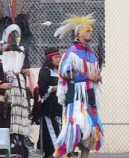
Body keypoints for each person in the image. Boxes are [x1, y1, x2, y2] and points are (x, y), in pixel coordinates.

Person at [0, 17, 33, 157]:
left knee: (15, 142)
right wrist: (0, 84)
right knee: (0, 141)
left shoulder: (18, 69)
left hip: (15, 110)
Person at [53, 14, 104, 158]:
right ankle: (68, 154)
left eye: (91, 30)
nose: (91, 32)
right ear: (79, 34)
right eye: (87, 30)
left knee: (91, 131)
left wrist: (97, 77)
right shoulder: (72, 52)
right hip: (75, 98)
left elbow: (94, 72)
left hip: (90, 97)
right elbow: (65, 72)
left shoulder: (91, 53)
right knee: (75, 130)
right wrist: (87, 76)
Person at [36, 47, 62, 158]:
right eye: (56, 57)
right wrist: (56, 87)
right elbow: (42, 90)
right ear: (49, 59)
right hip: (49, 110)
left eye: (59, 57)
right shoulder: (45, 71)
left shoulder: (61, 71)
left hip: (59, 109)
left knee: (60, 136)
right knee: (53, 139)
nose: (58, 59)